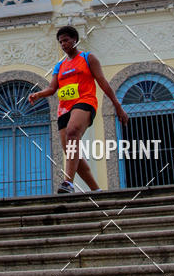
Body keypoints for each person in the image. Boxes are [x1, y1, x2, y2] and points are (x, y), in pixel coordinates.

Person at [29, 25, 129, 194]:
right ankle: (96, 190)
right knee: (71, 151)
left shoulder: (88, 58)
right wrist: (39, 94)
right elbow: (53, 88)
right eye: (61, 42)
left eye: (66, 40)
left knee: (73, 131)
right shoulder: (59, 66)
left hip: (84, 102)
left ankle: (68, 183)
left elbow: (103, 82)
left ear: (75, 40)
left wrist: (118, 106)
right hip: (64, 108)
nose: (63, 44)